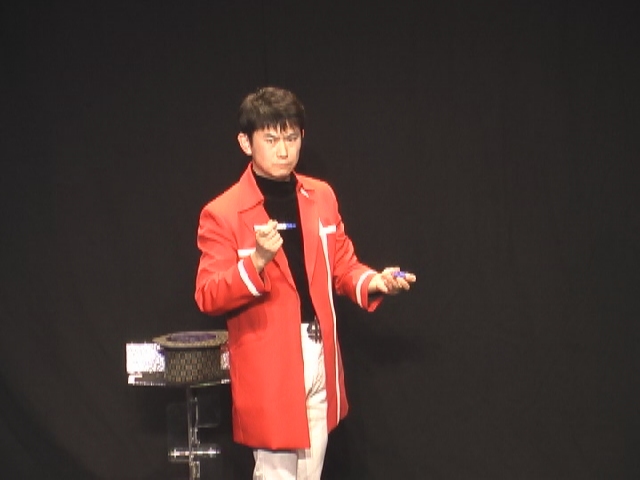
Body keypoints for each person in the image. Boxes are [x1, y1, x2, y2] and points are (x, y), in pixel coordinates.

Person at [194, 86, 416, 480]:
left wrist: (375, 281)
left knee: (310, 473)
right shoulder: (223, 212)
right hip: (269, 361)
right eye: (271, 139)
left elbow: (342, 265)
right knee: (276, 473)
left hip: (319, 351)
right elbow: (208, 295)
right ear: (246, 143)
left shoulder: (321, 196)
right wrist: (256, 262)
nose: (284, 150)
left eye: (292, 138)